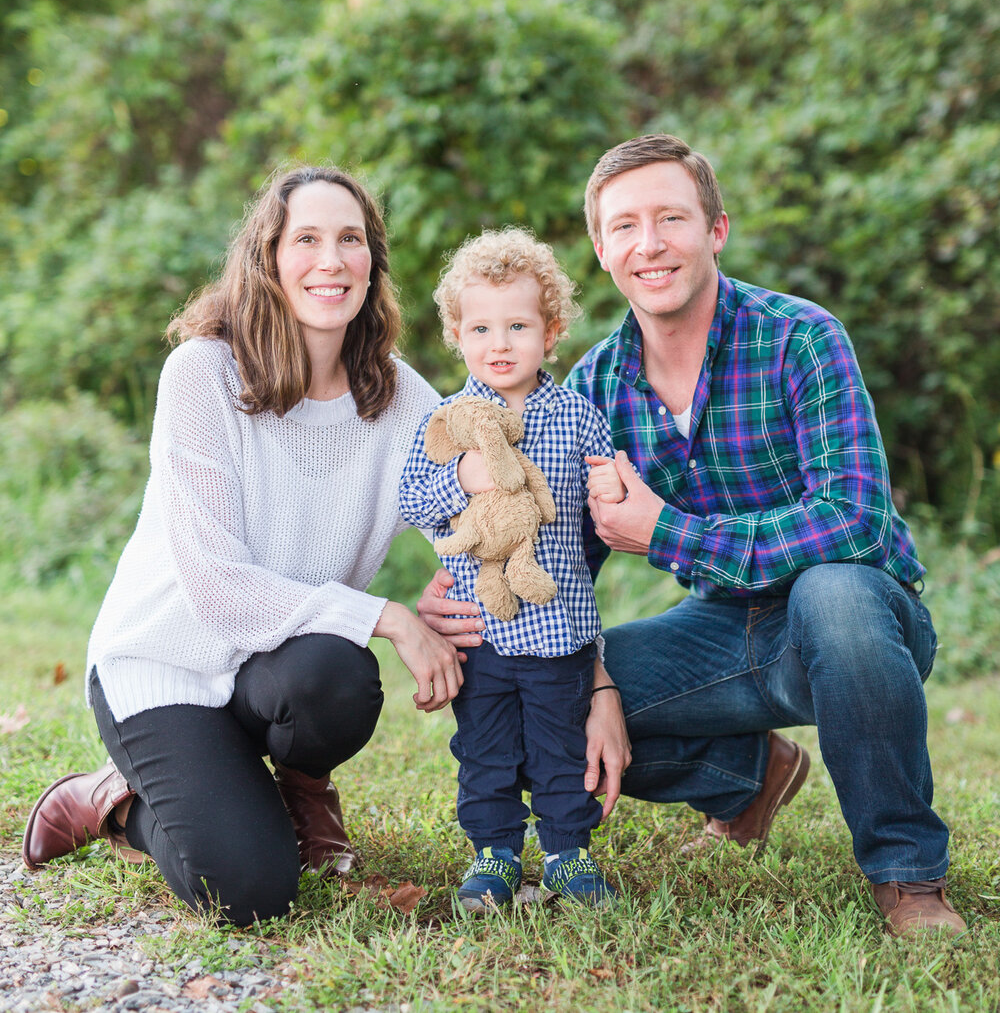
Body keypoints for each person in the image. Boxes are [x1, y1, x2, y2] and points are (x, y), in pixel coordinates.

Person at [420, 135, 965, 938]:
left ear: (715, 230)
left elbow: (855, 517)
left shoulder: (801, 337)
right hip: (722, 633)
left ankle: (907, 874)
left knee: (835, 594)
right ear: (603, 251)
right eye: (626, 226)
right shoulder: (598, 385)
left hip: (861, 617)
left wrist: (672, 532)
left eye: (671, 218)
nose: (650, 244)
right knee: (550, 697)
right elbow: (565, 552)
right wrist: (473, 587)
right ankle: (749, 777)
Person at [22, 165, 463, 926]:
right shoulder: (203, 375)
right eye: (308, 240)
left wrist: (491, 593)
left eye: (350, 240)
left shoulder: (399, 397)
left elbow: (469, 516)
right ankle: (115, 801)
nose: (332, 260)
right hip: (165, 663)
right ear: (269, 259)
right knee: (253, 892)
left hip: (276, 670)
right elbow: (221, 589)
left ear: (372, 263)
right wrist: (390, 615)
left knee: (336, 673)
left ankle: (297, 781)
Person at [398, 229, 625, 910]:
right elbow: (413, 498)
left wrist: (613, 489)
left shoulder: (579, 417)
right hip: (482, 630)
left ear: (550, 333)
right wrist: (464, 477)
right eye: (482, 328)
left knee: (559, 746)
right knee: (487, 750)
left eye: (519, 326)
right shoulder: (446, 423)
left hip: (559, 629)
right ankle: (495, 853)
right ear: (459, 335)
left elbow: (600, 508)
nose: (500, 343)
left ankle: (565, 853)